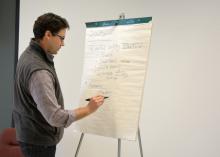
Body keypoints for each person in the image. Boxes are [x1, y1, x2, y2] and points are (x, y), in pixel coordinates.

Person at [12, 12, 105, 157]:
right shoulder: (38, 70)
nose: (63, 44)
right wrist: (88, 109)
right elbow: (55, 117)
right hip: (38, 144)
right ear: (48, 34)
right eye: (61, 38)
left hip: (32, 137)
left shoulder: (29, 55)